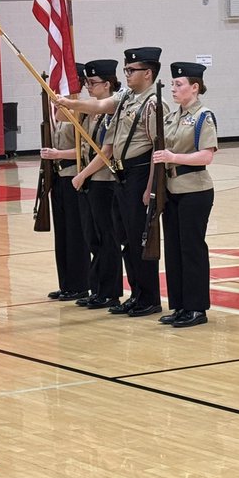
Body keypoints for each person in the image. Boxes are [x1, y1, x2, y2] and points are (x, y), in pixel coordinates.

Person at [57, 46, 163, 317]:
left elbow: (156, 148)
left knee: (139, 240)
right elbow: (100, 106)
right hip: (123, 174)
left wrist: (150, 187)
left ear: (148, 73)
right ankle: (136, 294)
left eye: (132, 69)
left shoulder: (153, 103)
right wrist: (71, 104)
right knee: (126, 238)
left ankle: (149, 297)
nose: (126, 73)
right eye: (126, 69)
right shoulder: (127, 97)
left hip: (140, 172)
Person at [152, 62, 219, 329]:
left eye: (179, 84)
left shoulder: (203, 116)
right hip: (171, 189)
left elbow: (206, 156)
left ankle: (196, 308)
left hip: (195, 189)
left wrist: (173, 157)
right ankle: (180, 305)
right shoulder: (172, 117)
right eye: (172, 84)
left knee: (192, 249)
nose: (173, 88)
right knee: (174, 250)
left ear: (195, 87)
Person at [71, 59, 124, 311]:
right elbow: (60, 116)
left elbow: (106, 152)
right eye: (86, 83)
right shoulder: (89, 112)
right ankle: (97, 289)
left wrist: (83, 175)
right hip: (90, 181)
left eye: (92, 83)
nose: (88, 87)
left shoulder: (113, 111)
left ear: (108, 84)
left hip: (104, 181)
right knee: (92, 238)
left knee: (107, 239)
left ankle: (110, 292)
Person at [40, 65, 91, 302]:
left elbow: (86, 148)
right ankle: (66, 283)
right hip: (59, 177)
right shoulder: (59, 111)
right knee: (62, 233)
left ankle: (80, 284)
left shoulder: (82, 110)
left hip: (74, 175)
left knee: (75, 233)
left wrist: (58, 154)